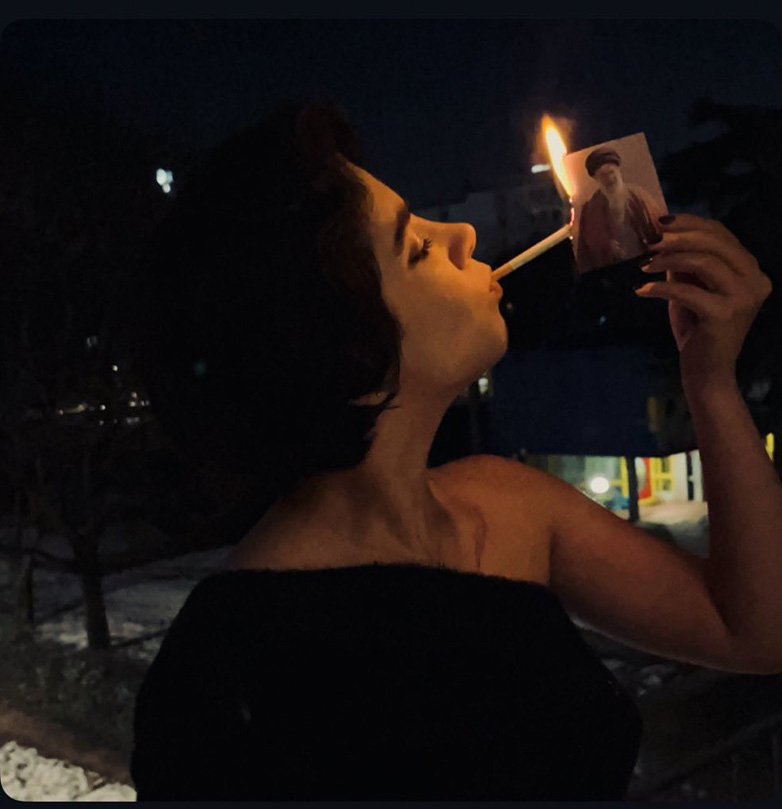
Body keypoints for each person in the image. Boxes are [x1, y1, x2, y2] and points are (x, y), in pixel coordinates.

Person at [127, 103, 780, 801]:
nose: (463, 233)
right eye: (414, 247)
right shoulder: (228, 673)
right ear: (334, 344)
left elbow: (755, 629)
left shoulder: (508, 504)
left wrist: (710, 382)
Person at [575, 145, 666, 274]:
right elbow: (585, 253)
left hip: (649, 264)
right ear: (595, 178)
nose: (609, 179)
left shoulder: (638, 195)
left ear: (618, 170)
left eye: (611, 172)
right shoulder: (589, 209)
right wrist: (606, 246)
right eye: (602, 175)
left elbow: (660, 229)